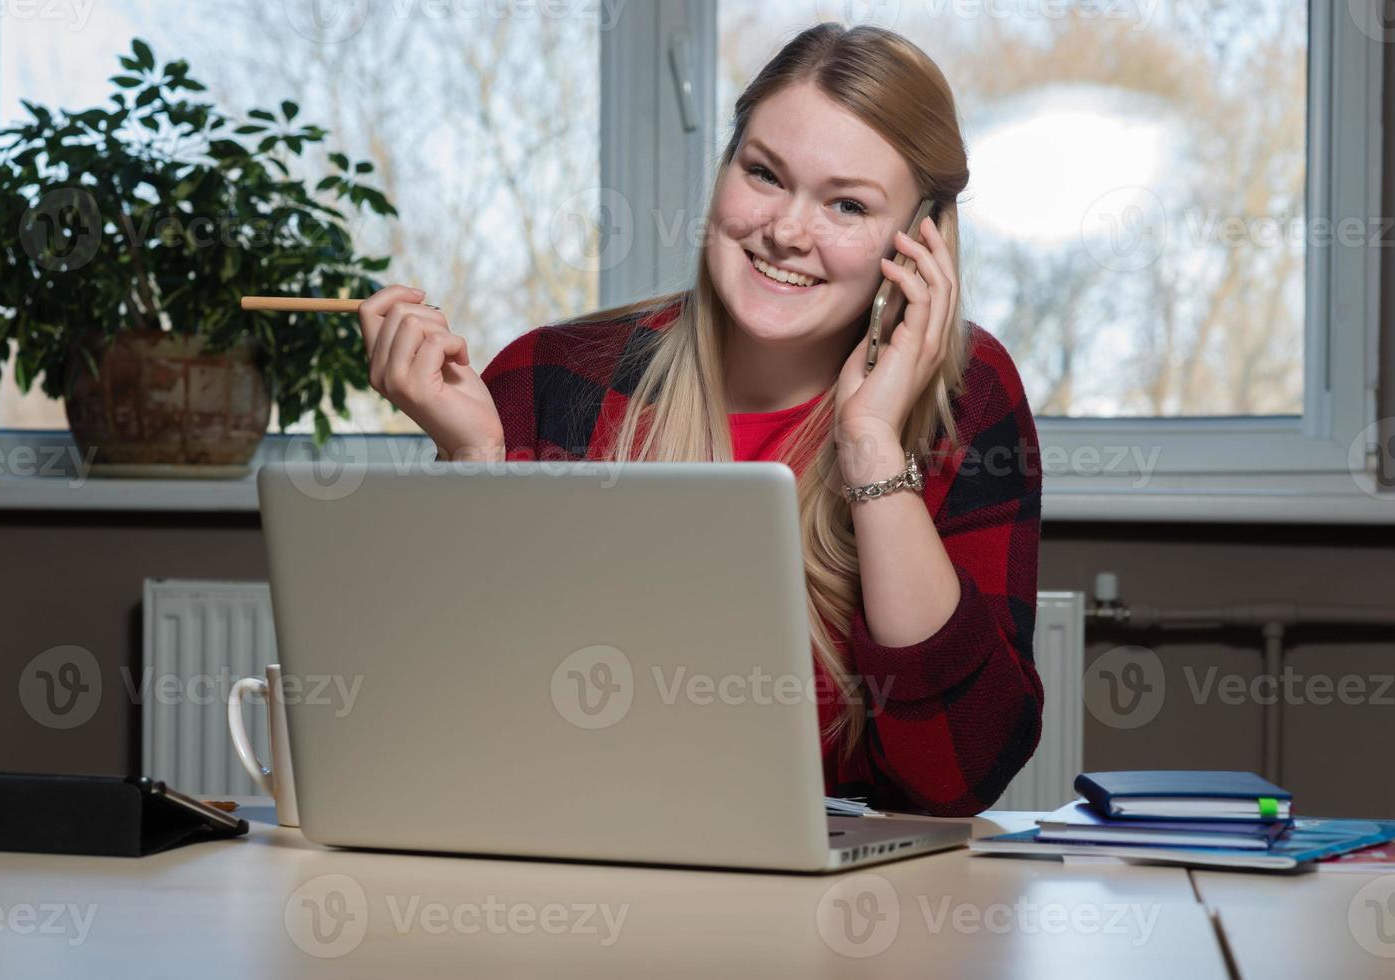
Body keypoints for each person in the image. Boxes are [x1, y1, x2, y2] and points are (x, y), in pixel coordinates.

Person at [355, 23, 1043, 817]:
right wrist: (474, 460)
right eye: (763, 174)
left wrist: (869, 445)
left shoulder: (967, 397)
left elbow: (957, 778)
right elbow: (450, 732)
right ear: (722, 172)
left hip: (850, 911)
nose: (786, 229)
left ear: (918, 243)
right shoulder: (549, 379)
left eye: (846, 204)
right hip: (577, 879)